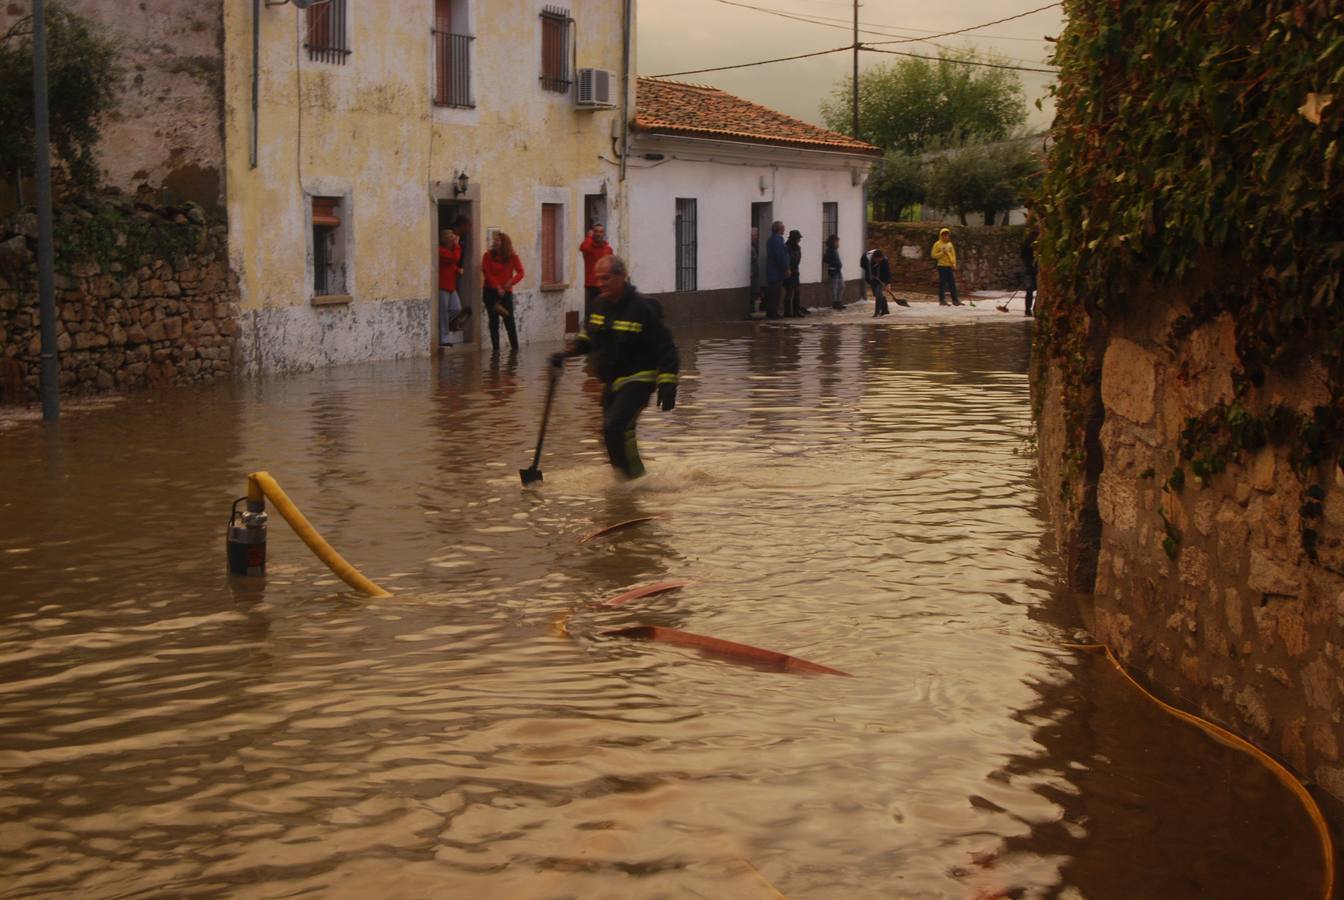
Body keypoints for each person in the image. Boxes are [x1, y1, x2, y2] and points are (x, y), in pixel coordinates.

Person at [550, 255, 680, 480]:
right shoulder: (598, 306)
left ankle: (634, 481)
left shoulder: (643, 308)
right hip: (613, 382)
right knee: (608, 434)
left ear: (621, 277)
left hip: (639, 379)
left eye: (606, 278)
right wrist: (566, 353)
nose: (600, 284)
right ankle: (622, 481)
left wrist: (667, 384)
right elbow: (588, 339)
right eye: (598, 279)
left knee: (616, 427)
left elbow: (666, 347)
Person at [482, 231, 524, 354]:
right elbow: (487, 272)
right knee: (493, 321)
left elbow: (521, 272)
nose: (494, 242)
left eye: (497, 240)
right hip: (490, 292)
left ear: (504, 243)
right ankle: (496, 351)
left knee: (509, 321)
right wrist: (497, 287)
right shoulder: (487, 255)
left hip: (506, 293)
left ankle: (515, 350)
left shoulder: (513, 257)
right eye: (494, 240)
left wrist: (511, 282)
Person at [437, 228, 469, 345]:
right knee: (443, 313)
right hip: (443, 286)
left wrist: (457, 270)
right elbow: (454, 258)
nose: (454, 242)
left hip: (451, 286)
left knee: (457, 309)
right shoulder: (440, 250)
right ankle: (444, 339)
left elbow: (450, 264)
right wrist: (457, 246)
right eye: (452, 239)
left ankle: (444, 325)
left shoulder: (448, 251)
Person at [580, 222, 613, 317]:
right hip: (592, 285)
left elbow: (611, 266)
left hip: (605, 285)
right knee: (592, 310)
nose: (598, 234)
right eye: (596, 231)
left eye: (601, 232)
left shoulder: (608, 249)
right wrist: (589, 237)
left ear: (604, 234)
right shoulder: (589, 248)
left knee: (605, 310)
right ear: (593, 233)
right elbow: (583, 248)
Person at [764, 220, 789, 319]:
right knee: (775, 293)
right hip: (776, 271)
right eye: (783, 228)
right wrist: (786, 268)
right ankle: (773, 313)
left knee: (773, 292)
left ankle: (771, 312)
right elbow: (781, 257)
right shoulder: (777, 241)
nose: (784, 229)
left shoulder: (772, 240)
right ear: (779, 229)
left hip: (772, 270)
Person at [931, 227, 962, 306]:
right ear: (941, 236)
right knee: (943, 283)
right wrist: (942, 253)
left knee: (952, 283)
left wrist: (954, 264)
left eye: (947, 235)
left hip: (949, 266)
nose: (946, 237)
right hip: (941, 266)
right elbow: (933, 255)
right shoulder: (937, 244)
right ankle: (942, 300)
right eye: (944, 235)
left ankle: (955, 300)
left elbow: (953, 255)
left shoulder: (950, 244)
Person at [784, 229, 806, 317]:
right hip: (789, 271)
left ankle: (796, 311)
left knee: (797, 291)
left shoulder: (798, 248)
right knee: (789, 291)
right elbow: (787, 260)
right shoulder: (786, 247)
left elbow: (798, 259)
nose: (799, 240)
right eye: (798, 238)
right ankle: (787, 312)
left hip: (795, 271)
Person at [1021, 219, 1039, 317]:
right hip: (1034, 268)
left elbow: (1022, 254)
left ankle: (1028, 310)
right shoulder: (1035, 241)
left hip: (1029, 267)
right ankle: (1032, 309)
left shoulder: (1027, 240)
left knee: (1029, 290)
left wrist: (1026, 264)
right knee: (1035, 290)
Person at [823, 234, 844, 309]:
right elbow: (825, 259)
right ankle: (835, 303)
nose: (838, 243)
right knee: (835, 287)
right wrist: (835, 264)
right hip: (833, 270)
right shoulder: (830, 250)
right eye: (837, 242)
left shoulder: (835, 250)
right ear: (833, 242)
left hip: (838, 270)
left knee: (841, 286)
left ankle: (839, 301)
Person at [869, 249, 892, 317]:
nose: (880, 261)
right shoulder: (870, 261)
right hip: (873, 278)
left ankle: (877, 312)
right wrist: (873, 276)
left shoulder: (884, 260)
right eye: (878, 260)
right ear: (874, 258)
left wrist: (888, 283)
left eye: (881, 259)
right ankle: (885, 310)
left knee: (878, 293)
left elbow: (888, 273)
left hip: (882, 278)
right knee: (876, 293)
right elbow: (869, 271)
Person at [748, 226, 761, 318]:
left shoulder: (753, 246)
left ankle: (753, 309)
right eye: (756, 235)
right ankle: (752, 310)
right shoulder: (751, 247)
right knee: (753, 292)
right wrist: (751, 271)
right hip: (753, 274)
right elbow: (751, 261)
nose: (757, 237)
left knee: (755, 291)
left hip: (755, 274)